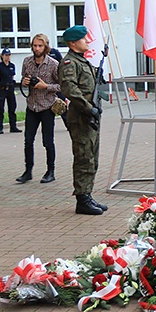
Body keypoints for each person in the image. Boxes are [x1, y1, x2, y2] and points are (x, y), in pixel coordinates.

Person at [58, 25, 109, 215]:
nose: (87, 41)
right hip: (81, 117)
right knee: (83, 158)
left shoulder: (82, 61)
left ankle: (87, 193)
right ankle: (82, 199)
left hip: (90, 117)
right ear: (73, 43)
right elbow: (70, 90)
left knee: (92, 158)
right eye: (83, 39)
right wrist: (89, 109)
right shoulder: (69, 63)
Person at [17, 34, 60, 185]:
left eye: (40, 46)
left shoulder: (53, 64)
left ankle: (50, 171)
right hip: (32, 105)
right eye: (35, 46)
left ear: (46, 47)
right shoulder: (27, 62)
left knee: (48, 141)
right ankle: (28, 171)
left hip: (47, 106)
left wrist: (46, 86)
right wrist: (24, 82)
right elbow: (23, 79)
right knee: (28, 140)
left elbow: (62, 86)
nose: (37, 49)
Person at [0, 48, 21, 134]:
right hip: (2, 89)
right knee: (0, 108)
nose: (8, 57)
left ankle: (13, 127)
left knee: (12, 108)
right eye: (6, 55)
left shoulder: (12, 66)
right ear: (2, 56)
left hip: (10, 89)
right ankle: (0, 127)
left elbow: (12, 77)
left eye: (9, 55)